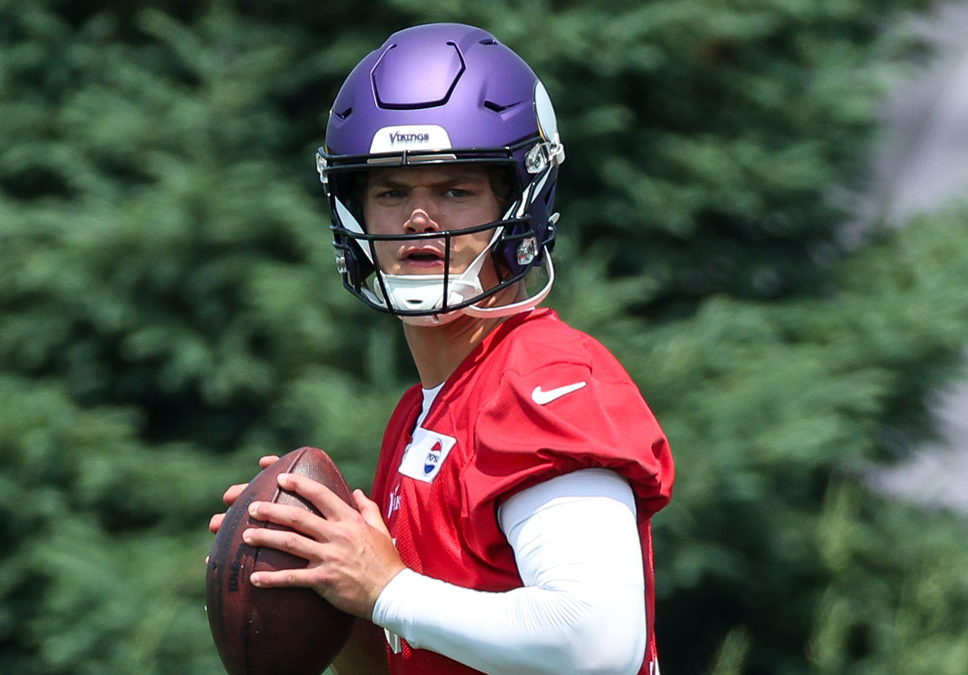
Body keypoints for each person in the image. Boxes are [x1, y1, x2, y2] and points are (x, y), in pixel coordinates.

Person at [209, 23, 674, 675]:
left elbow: (594, 644)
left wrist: (388, 588)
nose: (419, 218)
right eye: (391, 191)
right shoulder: (420, 413)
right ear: (354, 214)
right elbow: (415, 653)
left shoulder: (546, 376)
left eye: (455, 189)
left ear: (521, 203)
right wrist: (326, 578)